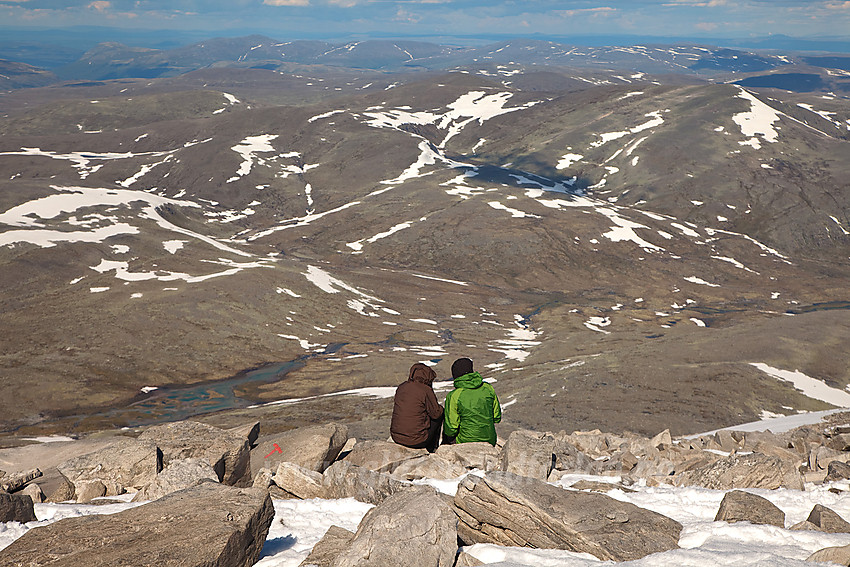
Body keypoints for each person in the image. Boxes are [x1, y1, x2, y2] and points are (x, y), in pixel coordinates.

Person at [443, 357, 501, 446]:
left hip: (465, 442)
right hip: (490, 440)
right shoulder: (488, 388)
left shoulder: (454, 395)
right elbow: (497, 417)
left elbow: (451, 428)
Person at [390, 362, 444, 453]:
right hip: (416, 441)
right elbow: (436, 413)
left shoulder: (402, 387)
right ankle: (432, 448)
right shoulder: (425, 390)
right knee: (439, 415)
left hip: (396, 437)